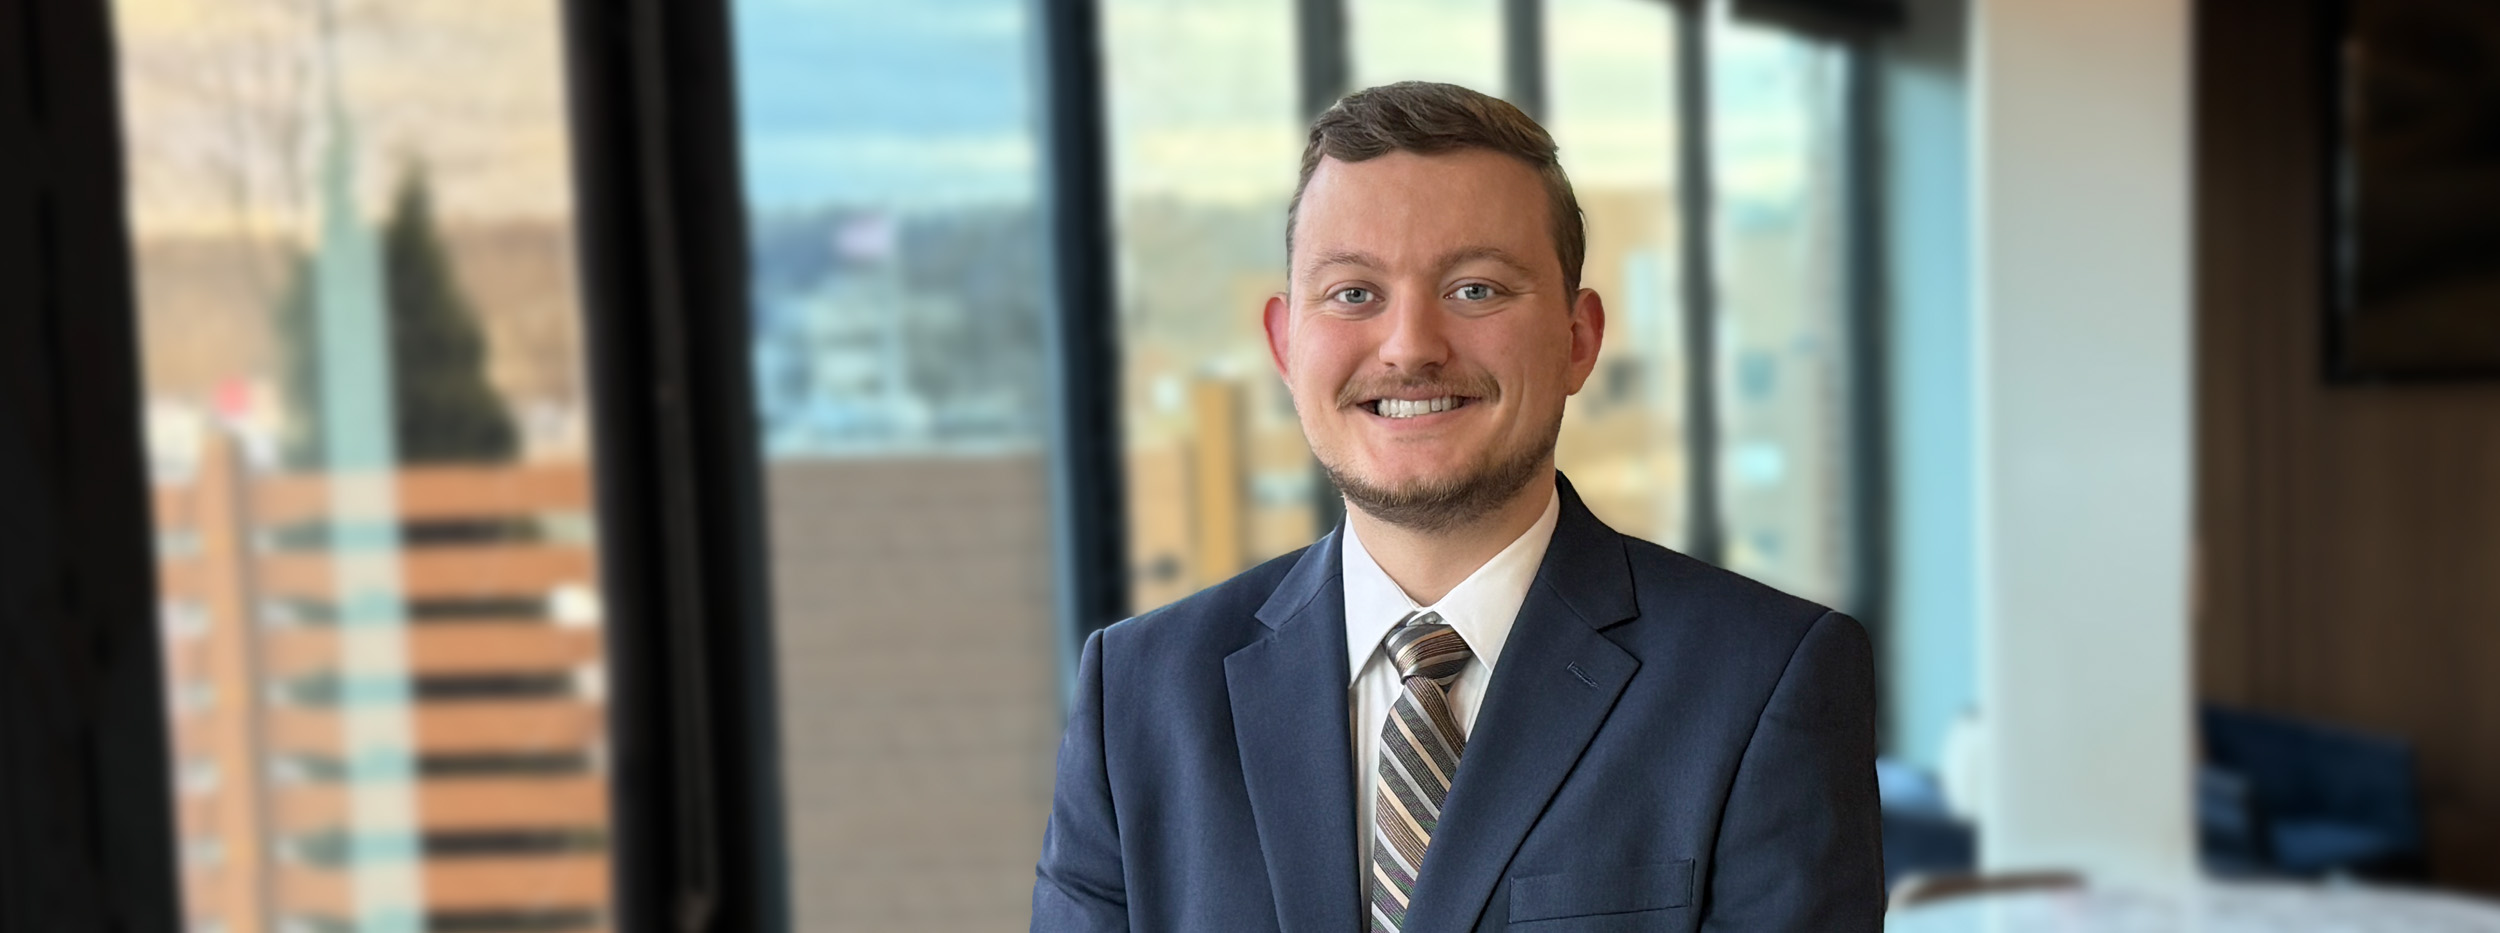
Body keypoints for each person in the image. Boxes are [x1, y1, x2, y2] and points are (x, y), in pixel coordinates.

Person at [1032, 81, 1882, 932]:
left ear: (1579, 339)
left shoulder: (1764, 681)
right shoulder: (1137, 696)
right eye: (1354, 293)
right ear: (1285, 345)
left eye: (1475, 289)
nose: (1410, 348)